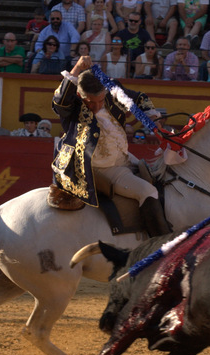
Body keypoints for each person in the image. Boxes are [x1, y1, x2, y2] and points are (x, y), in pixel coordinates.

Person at [49, 55, 171, 236]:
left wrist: (152, 115)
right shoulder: (72, 105)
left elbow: (139, 98)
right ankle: (160, 245)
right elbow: (59, 100)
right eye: (90, 102)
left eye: (100, 100)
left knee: (161, 178)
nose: (97, 106)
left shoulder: (112, 90)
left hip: (123, 158)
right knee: (148, 191)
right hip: (100, 167)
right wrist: (77, 68)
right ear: (80, 95)